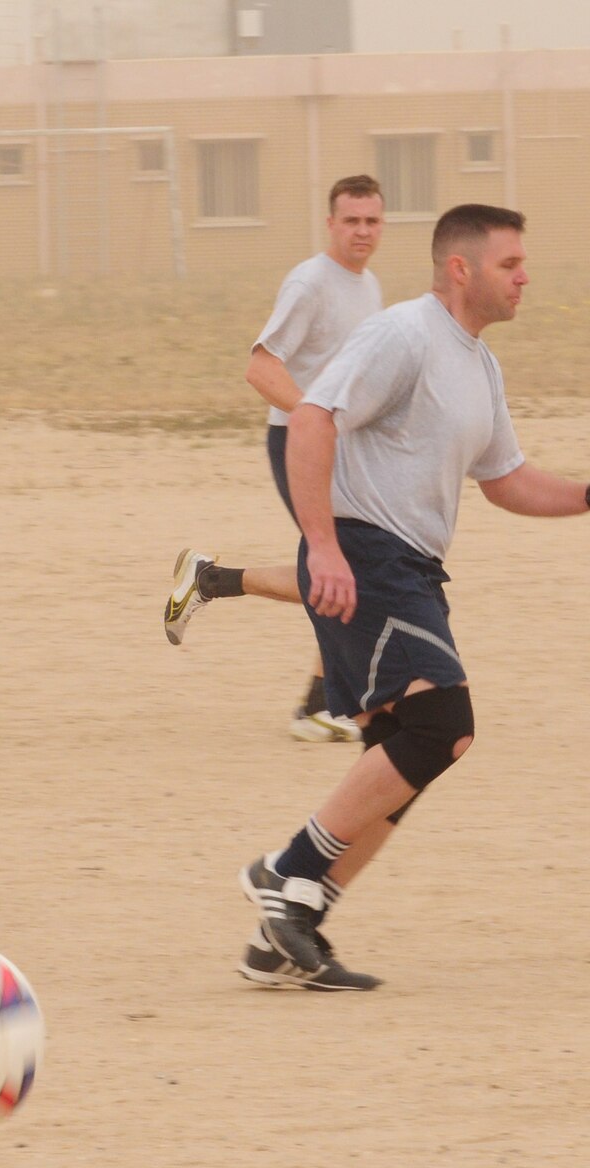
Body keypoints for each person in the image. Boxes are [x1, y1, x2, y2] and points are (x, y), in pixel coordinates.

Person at [237, 204, 589, 990]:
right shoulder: (403, 335)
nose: (525, 275)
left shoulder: (479, 363)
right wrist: (323, 545)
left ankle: (284, 933)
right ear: (460, 269)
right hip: (368, 554)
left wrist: (588, 496)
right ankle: (283, 871)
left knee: (400, 751)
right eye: (510, 264)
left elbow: (506, 481)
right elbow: (312, 419)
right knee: (443, 724)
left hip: (412, 568)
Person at [163, 177, 387, 743]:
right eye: (351, 220)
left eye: (372, 221)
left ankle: (215, 584)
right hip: (300, 445)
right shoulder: (311, 283)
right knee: (342, 571)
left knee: (347, 571)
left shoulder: (369, 286)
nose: (362, 230)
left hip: (341, 449)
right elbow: (261, 368)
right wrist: (316, 417)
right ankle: (319, 703)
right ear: (331, 223)